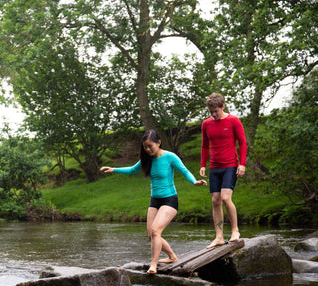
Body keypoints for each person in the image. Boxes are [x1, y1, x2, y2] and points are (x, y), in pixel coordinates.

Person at [101, 129, 207, 274]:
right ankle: (172, 256)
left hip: (169, 199)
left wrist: (194, 182)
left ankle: (153, 265)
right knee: (151, 234)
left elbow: (185, 171)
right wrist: (113, 169)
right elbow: (132, 170)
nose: (148, 149)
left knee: (156, 230)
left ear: (159, 143)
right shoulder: (147, 159)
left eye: (150, 146)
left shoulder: (170, 157)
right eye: (145, 147)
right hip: (155, 200)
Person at [200, 93, 248, 248]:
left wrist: (242, 164)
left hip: (230, 165)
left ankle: (235, 230)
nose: (214, 115)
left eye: (216, 111)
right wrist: (202, 165)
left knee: (226, 198)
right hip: (215, 167)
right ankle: (219, 236)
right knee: (215, 200)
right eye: (211, 112)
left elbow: (242, 143)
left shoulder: (233, 120)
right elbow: (204, 146)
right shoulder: (206, 124)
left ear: (223, 106)